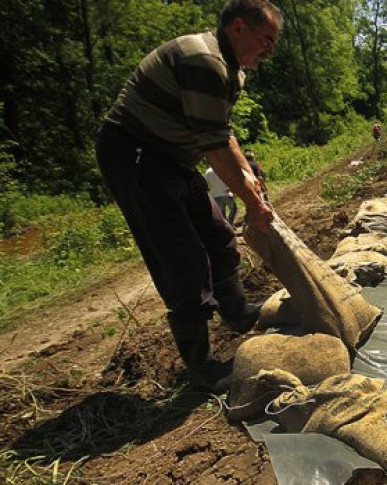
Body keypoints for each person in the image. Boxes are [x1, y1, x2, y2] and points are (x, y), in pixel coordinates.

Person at [95, 0, 282, 390]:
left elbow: (224, 134)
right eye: (266, 39)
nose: (270, 49)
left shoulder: (232, 70)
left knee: (217, 232)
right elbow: (213, 144)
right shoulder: (205, 62)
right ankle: (201, 366)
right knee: (182, 257)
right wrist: (250, 202)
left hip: (172, 157)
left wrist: (250, 179)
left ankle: (235, 312)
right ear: (237, 28)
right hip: (136, 154)